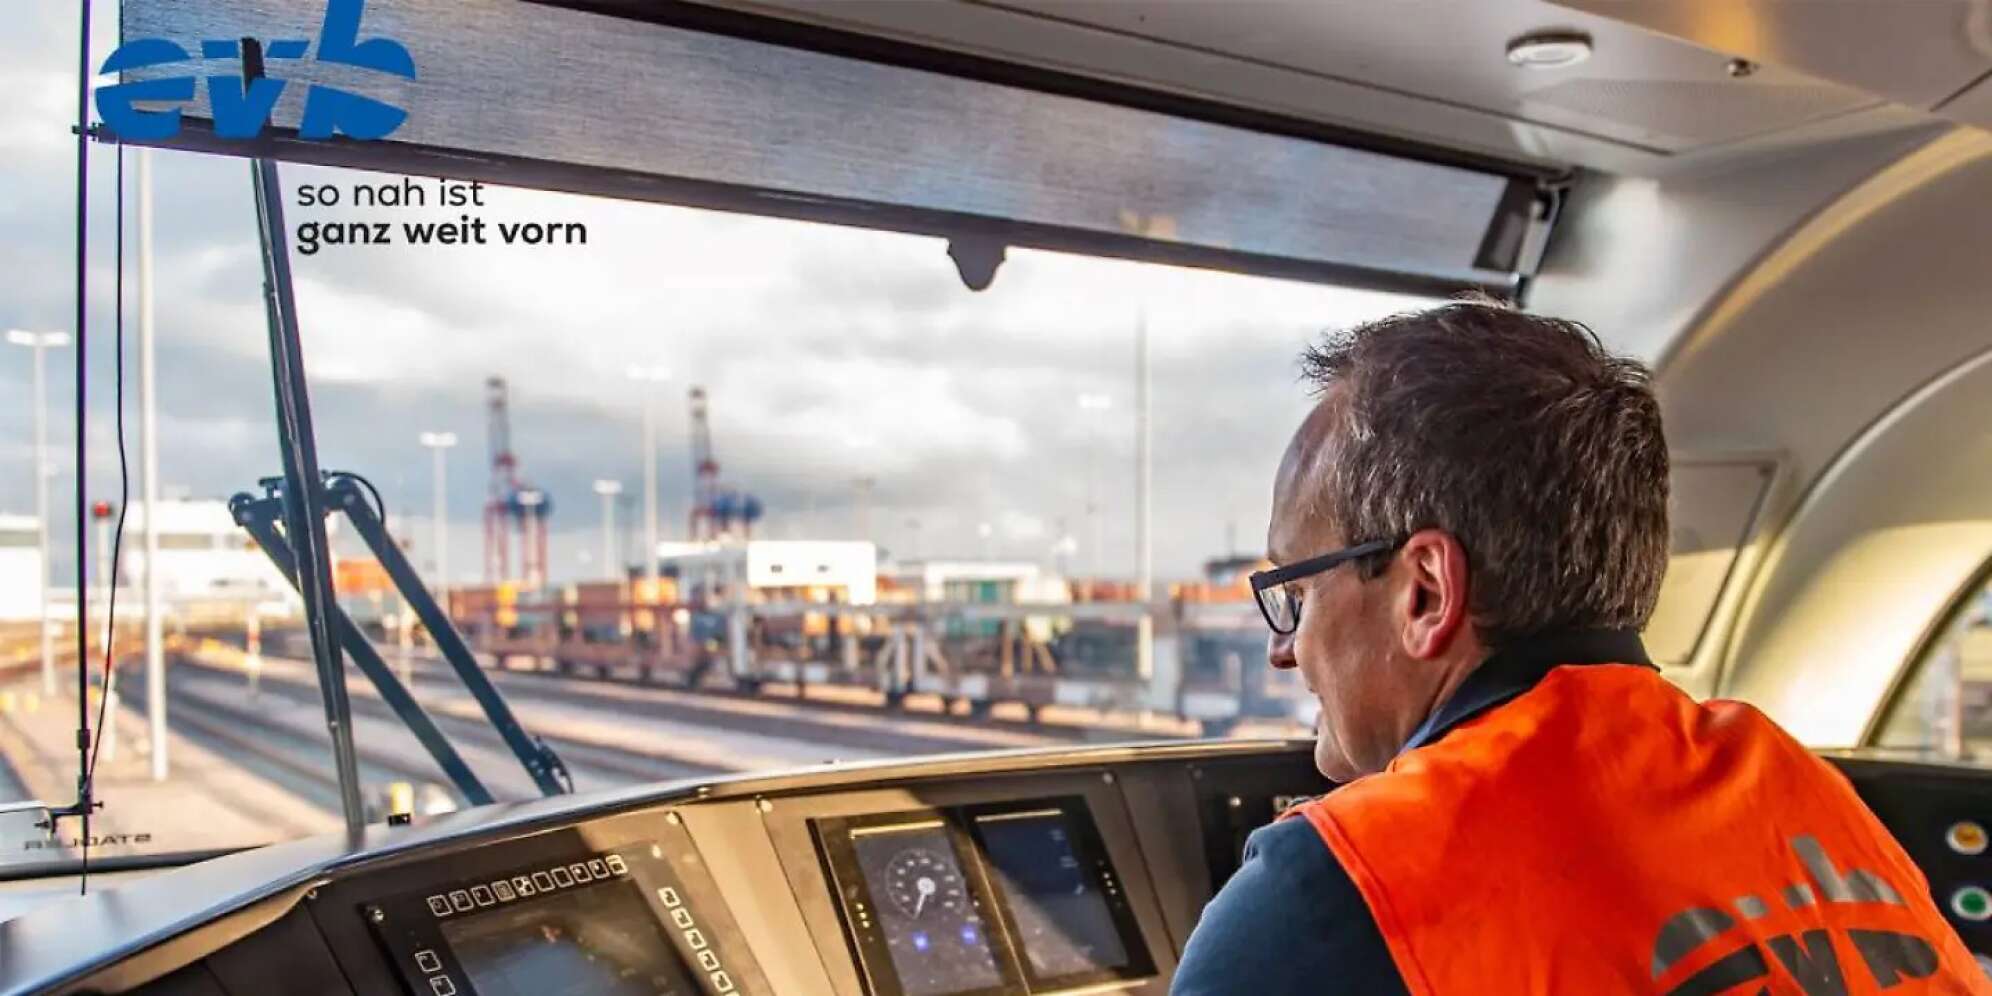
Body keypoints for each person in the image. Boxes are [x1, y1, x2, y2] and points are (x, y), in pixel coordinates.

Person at [1170, 300, 1983, 994]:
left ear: (1425, 592)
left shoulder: (1336, 889)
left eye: (1300, 594)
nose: (1287, 651)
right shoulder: (1800, 788)